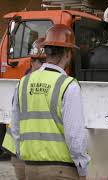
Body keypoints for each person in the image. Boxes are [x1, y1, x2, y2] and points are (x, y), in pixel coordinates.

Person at [11, 24, 90, 180]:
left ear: (46, 52)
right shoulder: (68, 85)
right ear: (68, 53)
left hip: (30, 168)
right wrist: (82, 168)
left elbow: (16, 129)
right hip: (61, 171)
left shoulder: (23, 83)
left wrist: (25, 158)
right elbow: (74, 136)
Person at [1, 37, 47, 180]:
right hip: (23, 151)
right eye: (35, 61)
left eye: (41, 61)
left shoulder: (22, 83)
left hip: (26, 151)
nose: (38, 65)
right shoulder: (25, 84)